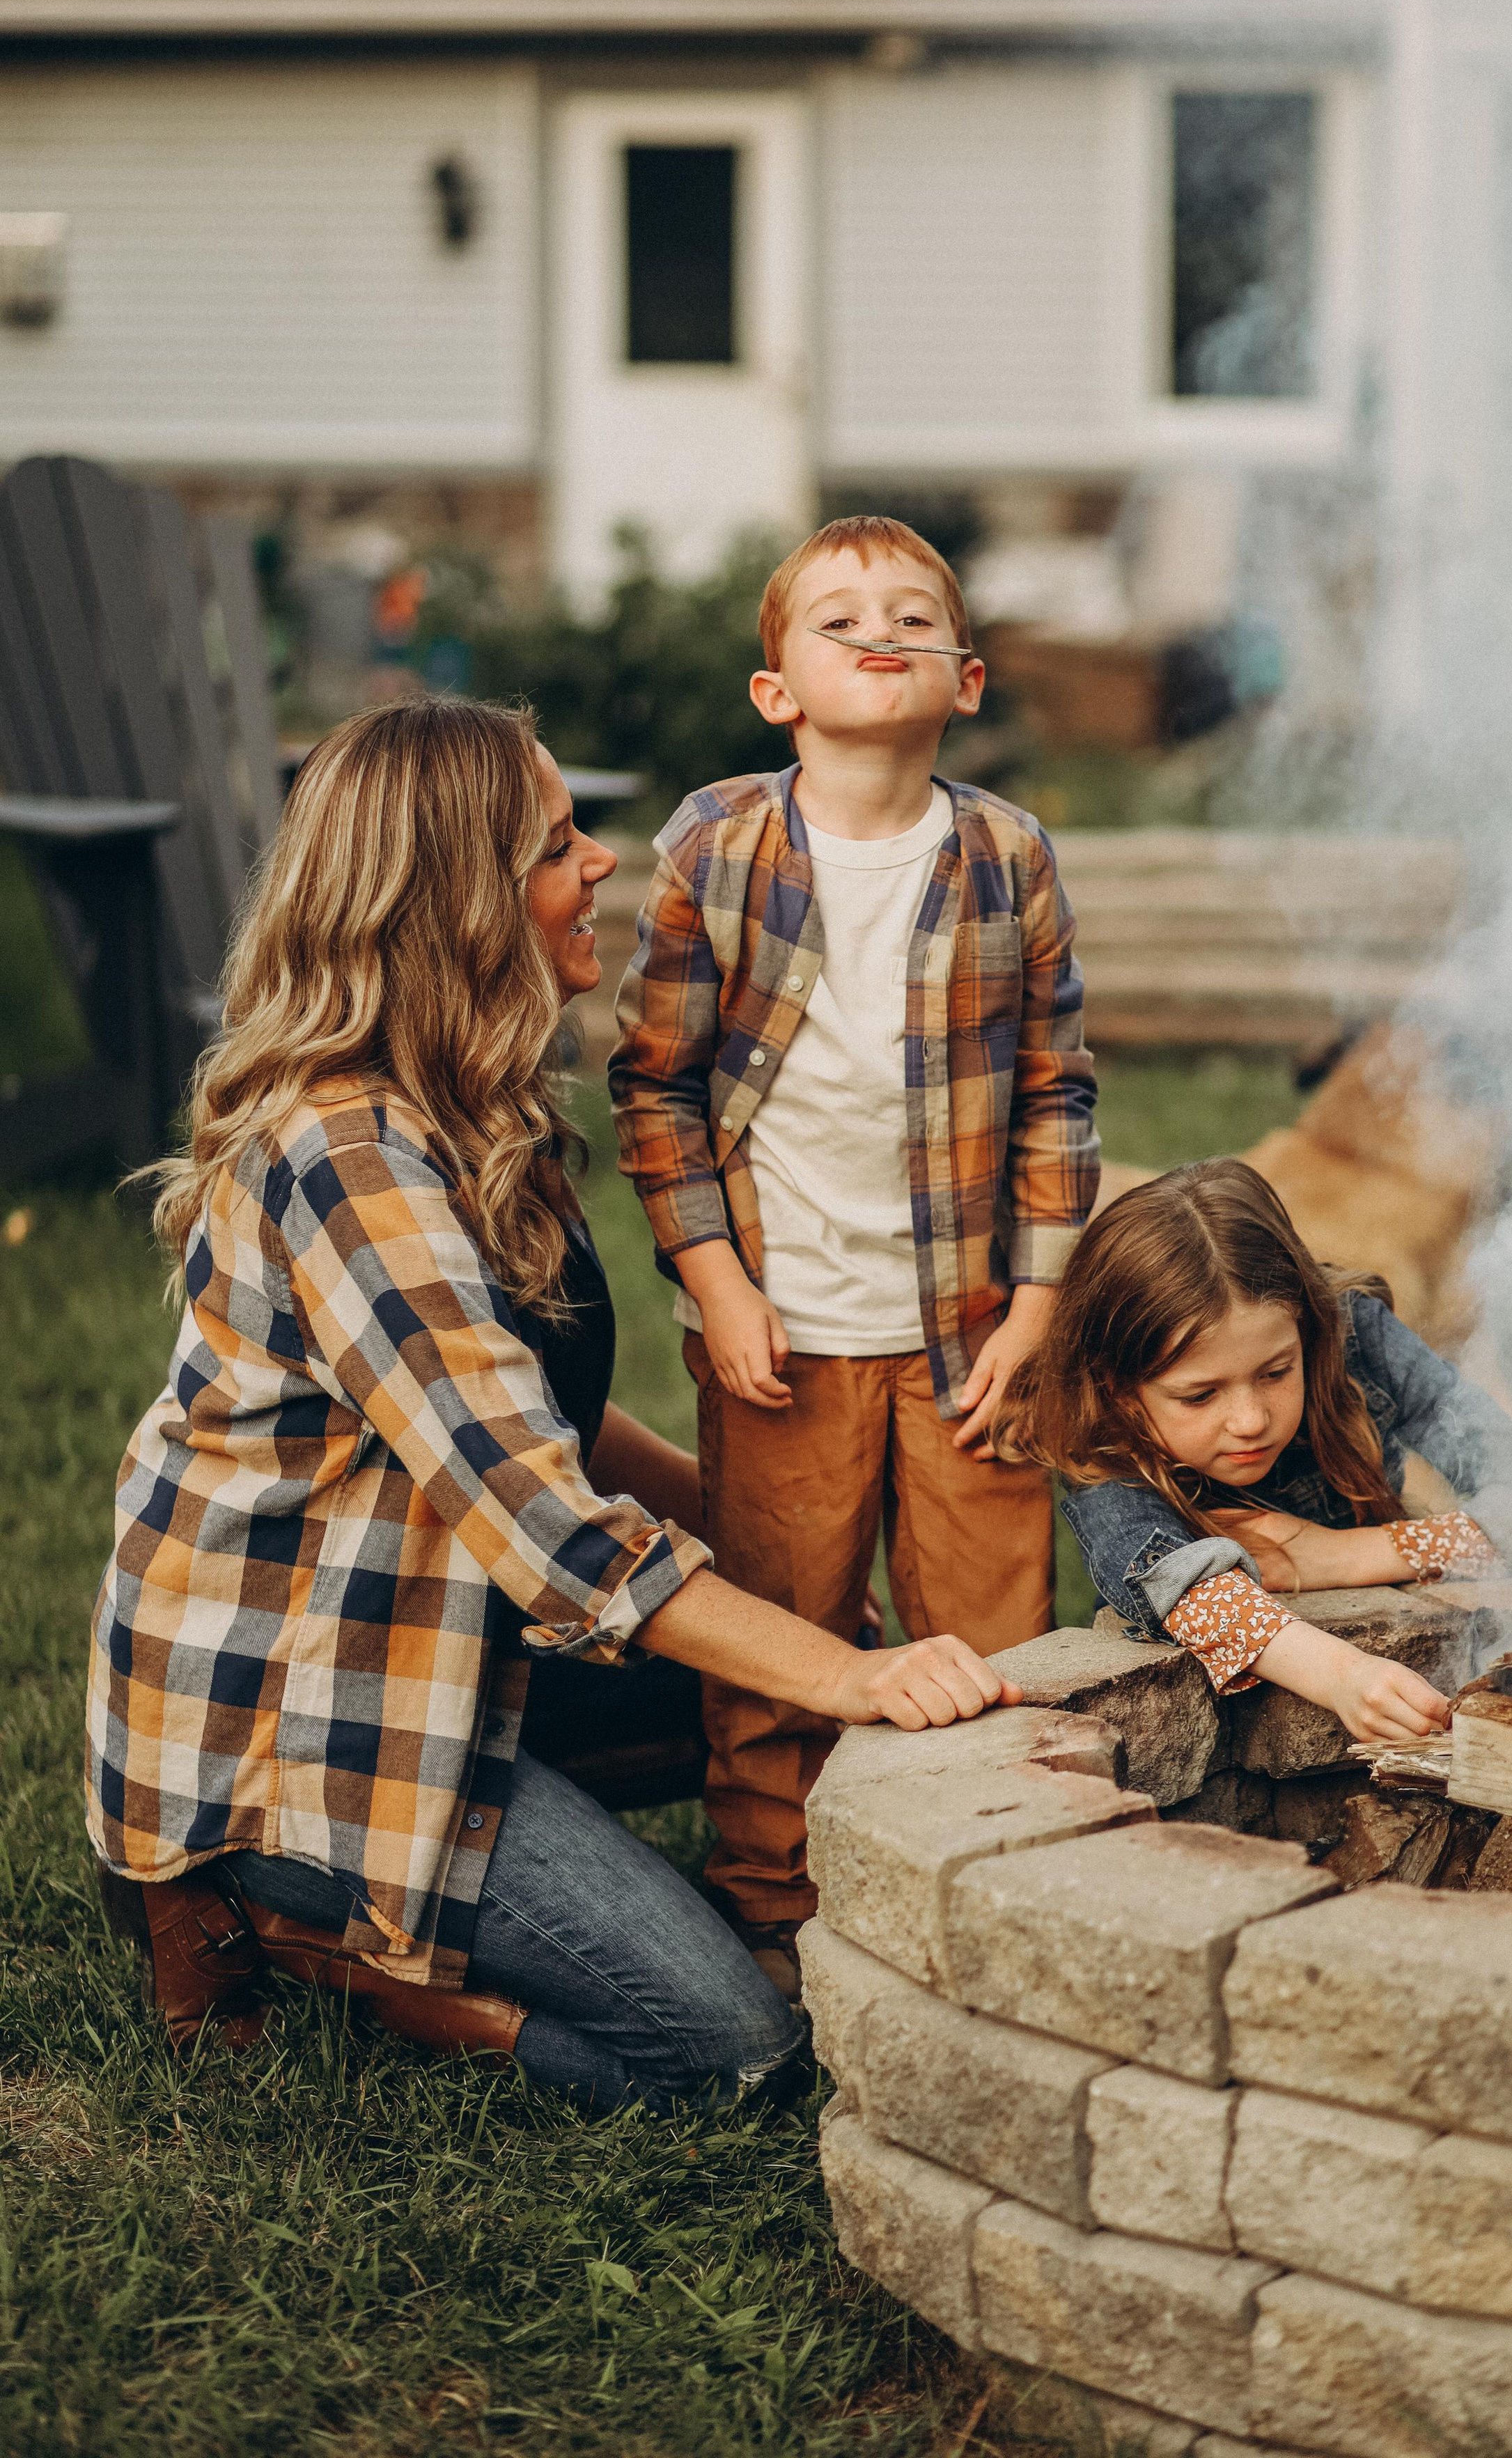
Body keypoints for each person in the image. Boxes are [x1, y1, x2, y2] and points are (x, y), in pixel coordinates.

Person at [86, 699, 1017, 2110]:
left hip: (450, 1642)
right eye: (554, 844)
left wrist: (786, 1562)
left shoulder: (481, 1101)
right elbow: (557, 1539)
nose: (600, 862)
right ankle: (308, 1929)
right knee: (735, 2048)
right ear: (454, 903)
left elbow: (557, 1432)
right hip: (303, 1721)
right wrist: (845, 1675)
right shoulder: (349, 1161)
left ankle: (452, 1884)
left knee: (796, 1639)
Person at [607, 517, 1099, 1987]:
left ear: (966, 673)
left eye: (909, 615)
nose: (876, 632)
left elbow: (1053, 1094)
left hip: (976, 1346)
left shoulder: (1006, 856)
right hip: (786, 1337)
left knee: (993, 1642)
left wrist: (1037, 1312)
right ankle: (774, 1913)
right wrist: (716, 1286)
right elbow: (658, 1088)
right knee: (784, 1637)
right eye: (837, 619)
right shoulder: (719, 846)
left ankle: (983, 1906)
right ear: (777, 691)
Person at [995, 1159, 1512, 1741]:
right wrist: (1343, 1676)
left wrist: (1353, 1555)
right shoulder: (1106, 1442)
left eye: (1275, 1372)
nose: (1251, 1421)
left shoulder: (1355, 1337)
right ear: (1123, 1392)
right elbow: (1180, 1586)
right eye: (1200, 1396)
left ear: (1307, 1330)